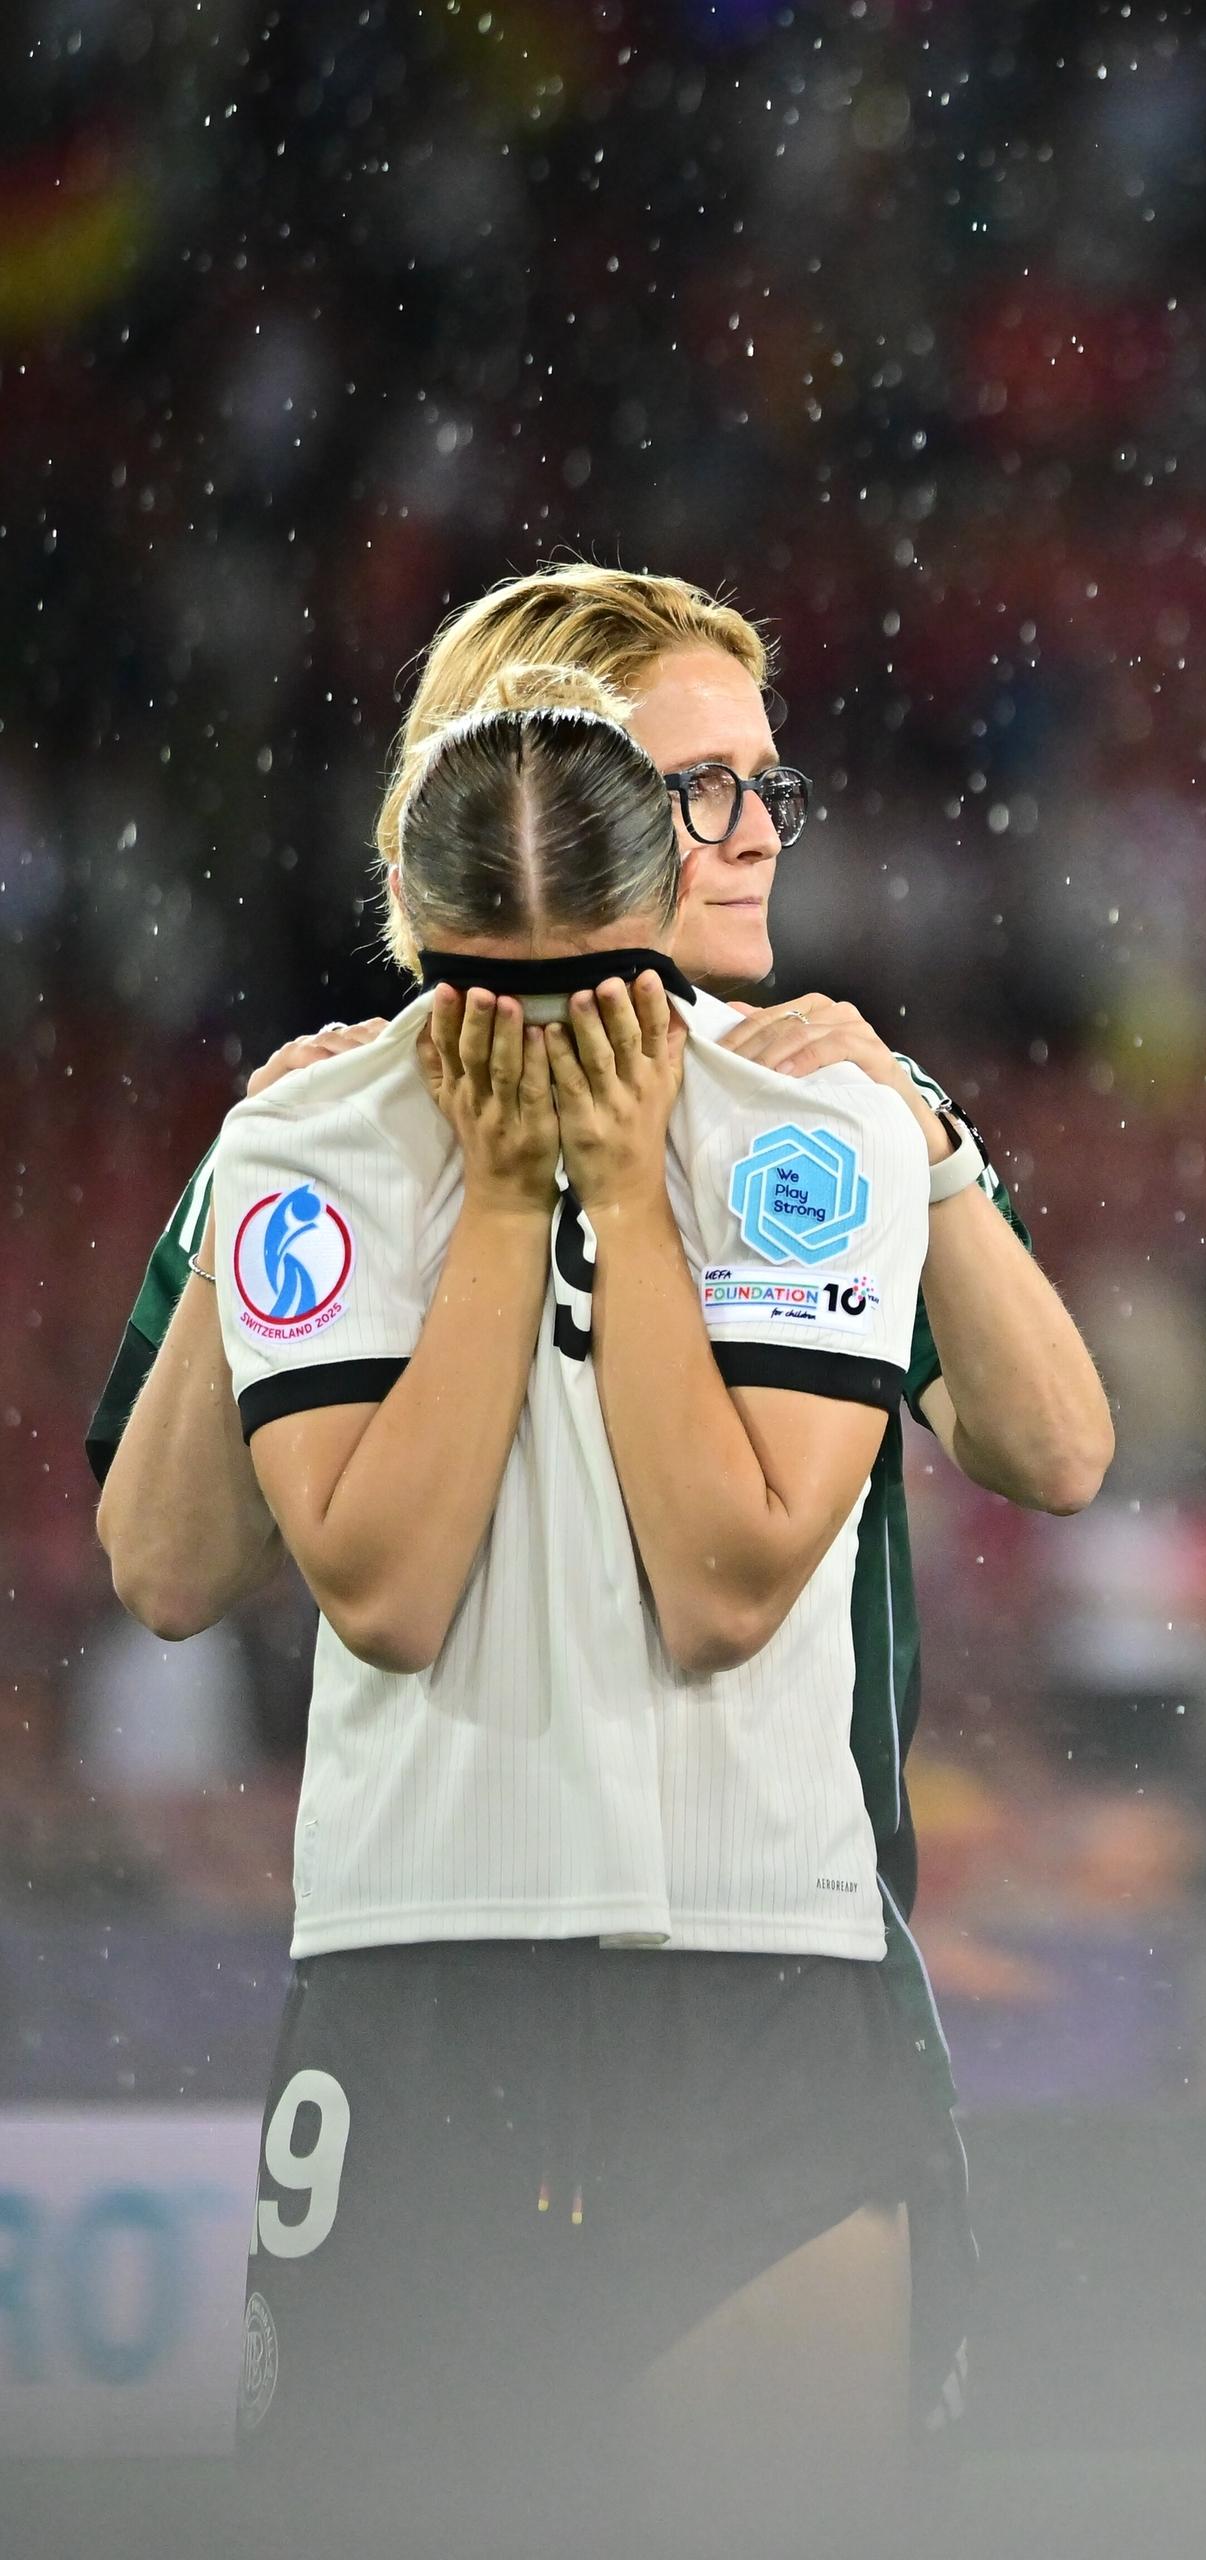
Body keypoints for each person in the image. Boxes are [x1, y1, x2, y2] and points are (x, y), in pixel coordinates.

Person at [86, 562, 1110, 2428]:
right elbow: (166, 1561)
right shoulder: (322, 1127)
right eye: (690, 786)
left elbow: (1053, 1450)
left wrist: (930, 1132)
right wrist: (246, 1175)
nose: (747, 835)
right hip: (441, 1948)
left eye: (761, 783)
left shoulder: (835, 1116)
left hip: (781, 1932)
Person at [208, 668, 940, 2533]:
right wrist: (520, 1206)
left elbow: (726, 1582)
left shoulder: (813, 1147)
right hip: (416, 1964)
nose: (538, 1037)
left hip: (754, 1963)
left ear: (662, 937)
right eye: (487, 993)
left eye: (594, 990)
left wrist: (618, 1183)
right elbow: (378, 1587)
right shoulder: (304, 1148)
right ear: (418, 946)